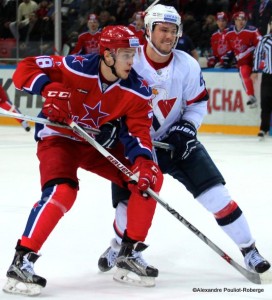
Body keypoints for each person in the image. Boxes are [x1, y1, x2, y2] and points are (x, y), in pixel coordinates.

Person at [97, 4, 271, 285]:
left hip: (177, 143)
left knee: (217, 195)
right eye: (162, 29)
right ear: (148, 30)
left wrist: (186, 129)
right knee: (128, 206)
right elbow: (108, 98)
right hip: (136, 146)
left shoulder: (187, 64)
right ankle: (118, 246)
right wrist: (110, 126)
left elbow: (198, 103)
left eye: (173, 31)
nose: (168, 36)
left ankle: (249, 249)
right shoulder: (130, 60)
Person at [2, 25, 163, 296]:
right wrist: (49, 88)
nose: (131, 61)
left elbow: (138, 133)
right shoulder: (74, 66)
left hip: (96, 145)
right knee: (63, 191)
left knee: (149, 181)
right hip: (59, 138)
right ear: (107, 55)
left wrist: (144, 163)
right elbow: (26, 68)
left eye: (133, 54)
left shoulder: (138, 89)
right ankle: (22, 260)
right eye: (125, 54)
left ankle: (128, 253)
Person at [225, 11, 262, 108]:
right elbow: (229, 49)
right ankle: (251, 96)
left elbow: (261, 45)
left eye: (243, 20)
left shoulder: (252, 30)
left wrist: (248, 52)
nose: (241, 22)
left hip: (255, 58)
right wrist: (227, 57)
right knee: (243, 71)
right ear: (235, 20)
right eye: (238, 20)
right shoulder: (229, 33)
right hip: (243, 61)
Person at [251, 17, 272, 139]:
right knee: (265, 102)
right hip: (268, 76)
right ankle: (264, 129)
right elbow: (258, 54)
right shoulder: (265, 39)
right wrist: (255, 70)